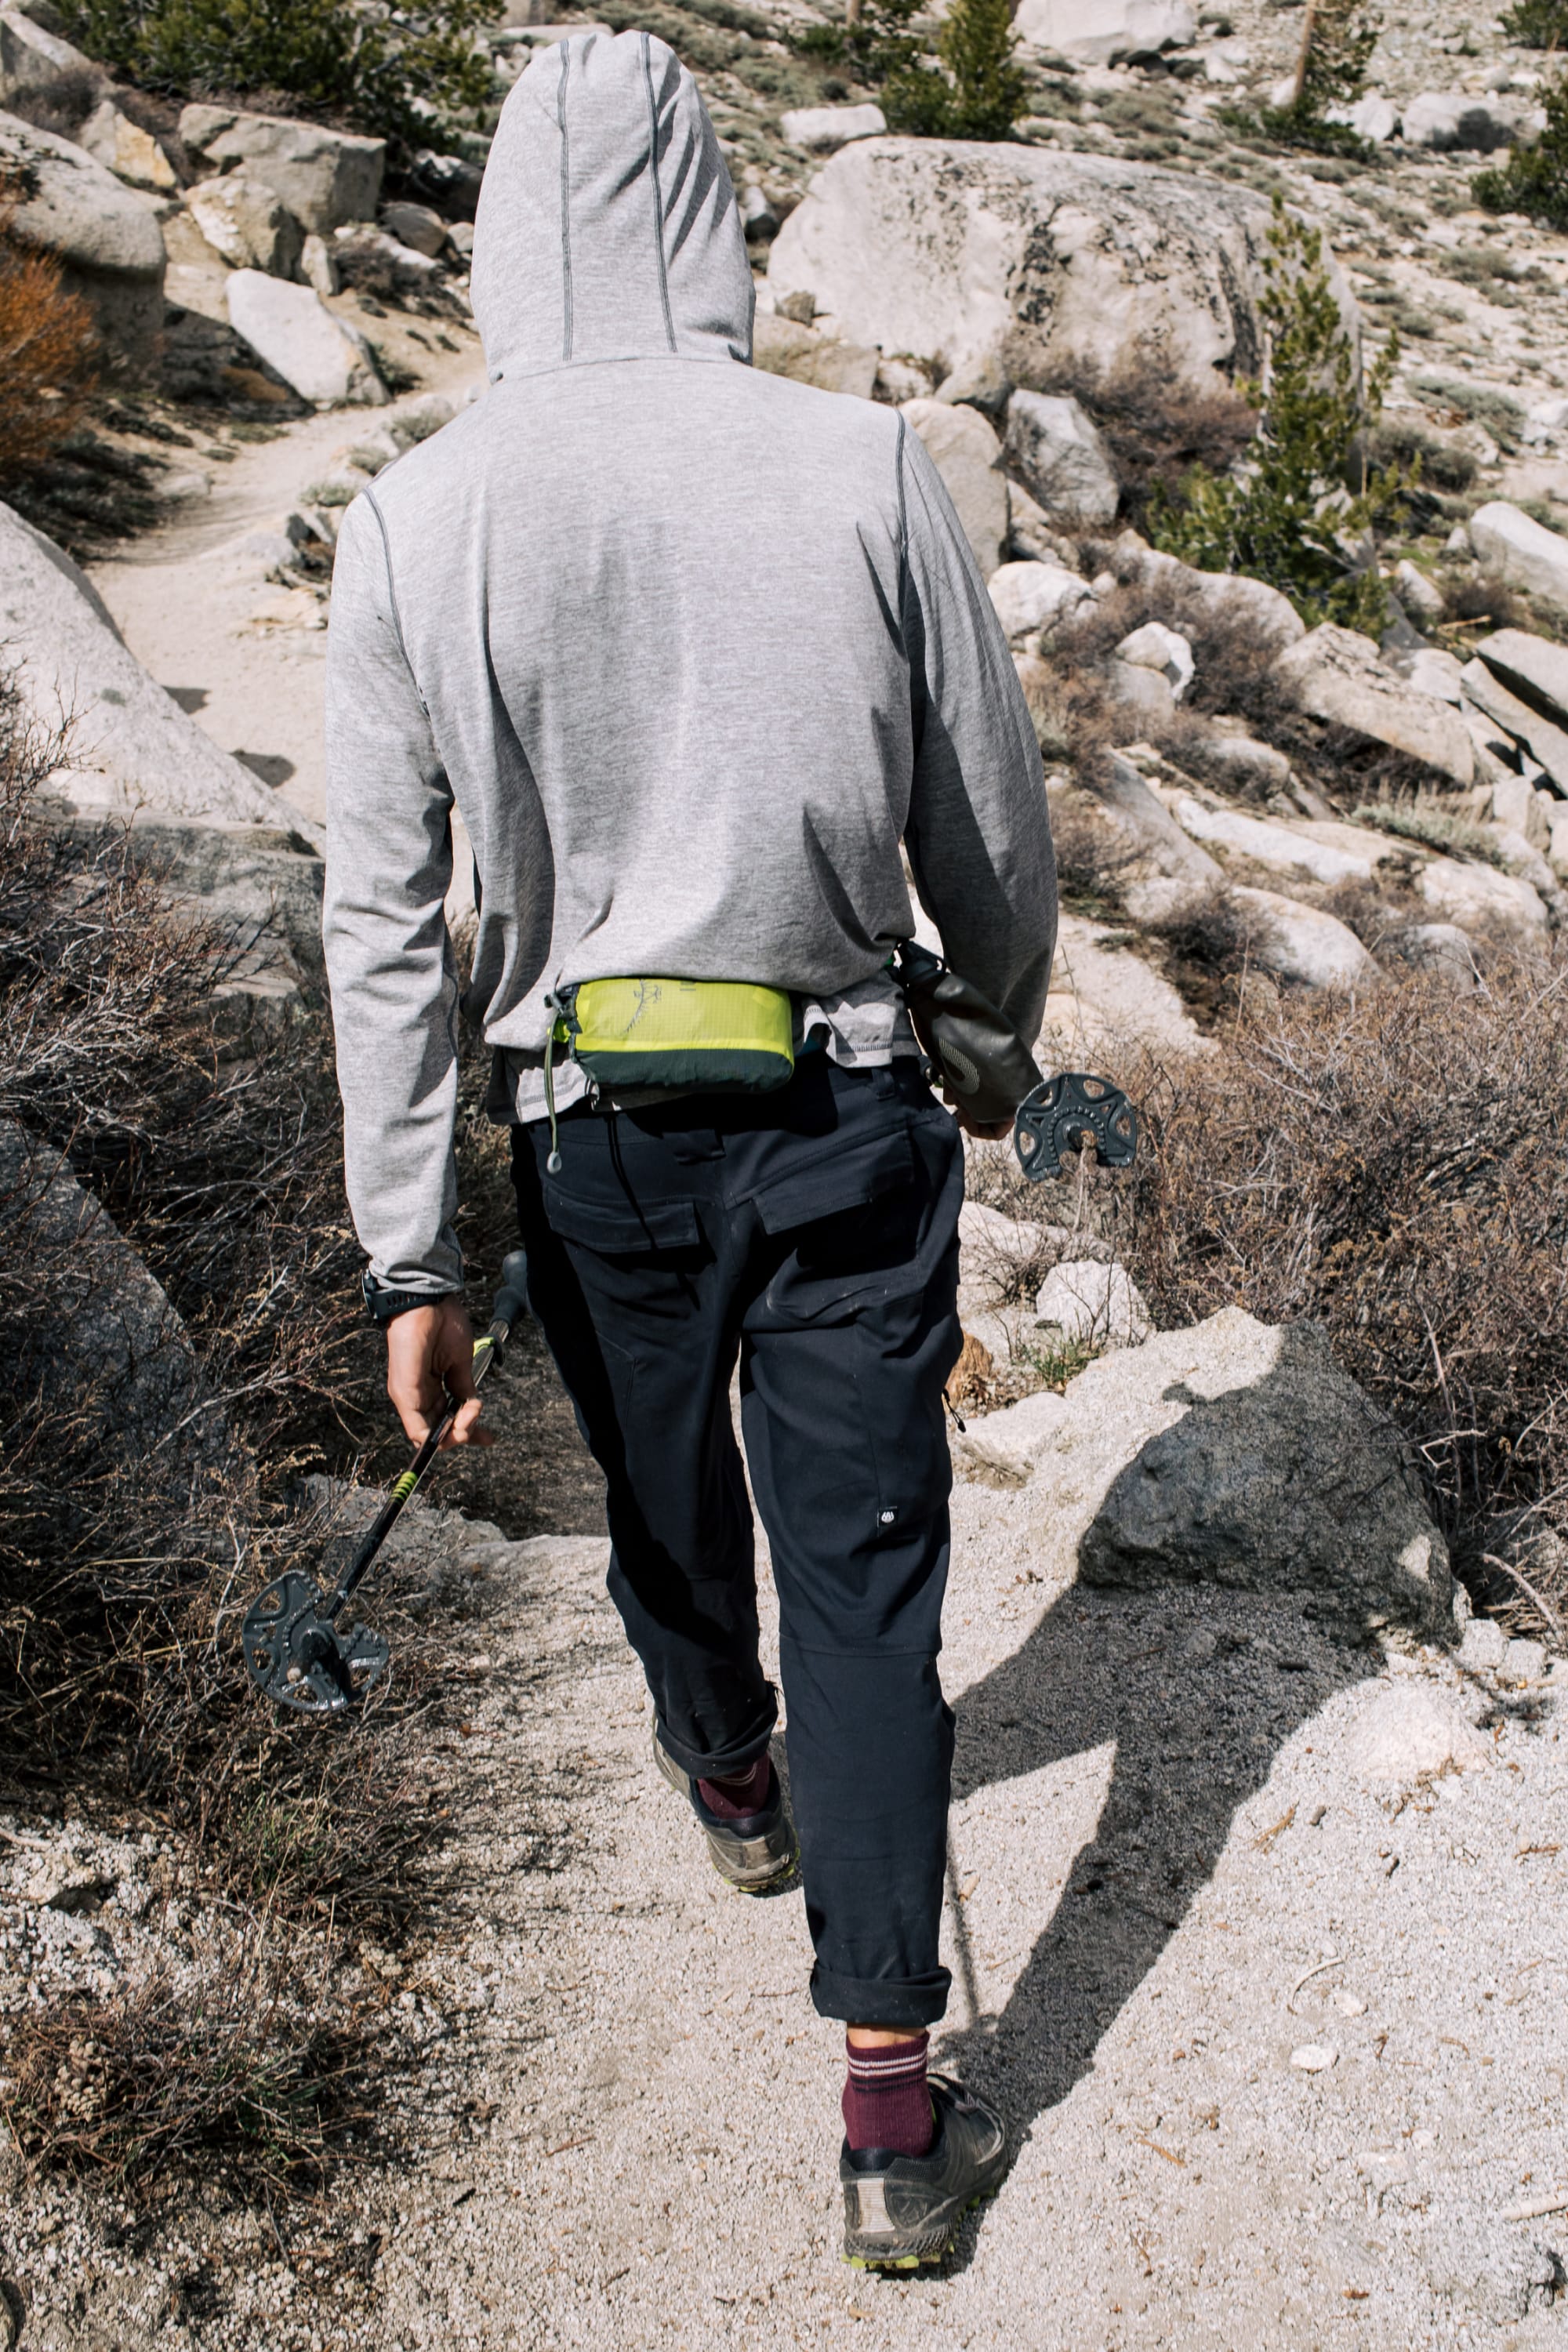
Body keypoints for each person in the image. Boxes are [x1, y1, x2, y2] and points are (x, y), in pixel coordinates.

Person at [322, 27, 1055, 2270]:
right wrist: (995, 1036)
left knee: (666, 1515)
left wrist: (411, 1257)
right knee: (870, 1575)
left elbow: (380, 920)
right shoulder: (862, 461)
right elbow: (990, 817)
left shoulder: (414, 513)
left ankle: (730, 1776)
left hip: (594, 1139)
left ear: (499, 232)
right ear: (710, 209)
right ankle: (885, 2097)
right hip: (844, 1104)